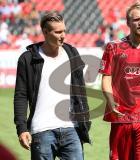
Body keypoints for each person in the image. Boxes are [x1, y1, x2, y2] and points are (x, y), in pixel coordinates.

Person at [14, 11, 91, 160]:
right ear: (45, 32)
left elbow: (80, 90)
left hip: (71, 129)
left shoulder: (72, 53)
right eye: (58, 32)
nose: (63, 35)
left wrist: (85, 120)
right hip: (41, 130)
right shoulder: (28, 59)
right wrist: (22, 129)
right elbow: (21, 96)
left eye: (64, 31)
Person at [99, 2, 140, 160]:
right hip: (121, 118)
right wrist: (110, 100)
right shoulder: (113, 47)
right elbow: (106, 78)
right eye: (136, 19)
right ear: (128, 23)